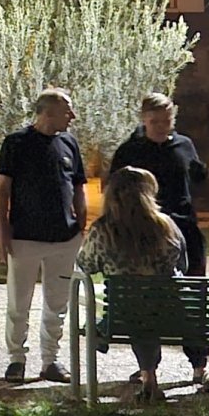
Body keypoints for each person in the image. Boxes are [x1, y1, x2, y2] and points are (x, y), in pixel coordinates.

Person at [110, 93, 209, 384]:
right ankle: (147, 366)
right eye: (155, 122)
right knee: (146, 301)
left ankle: (198, 364)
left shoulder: (184, 145)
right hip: (143, 235)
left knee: (193, 297)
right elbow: (115, 190)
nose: (161, 127)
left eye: (166, 121)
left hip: (184, 232)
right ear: (143, 119)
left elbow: (196, 179)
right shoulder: (130, 151)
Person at [0, 88, 86, 384]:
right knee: (19, 302)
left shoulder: (69, 143)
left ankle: (50, 360)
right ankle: (16, 359)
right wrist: (2, 231)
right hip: (25, 237)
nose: (72, 116)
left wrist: (81, 226)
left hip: (64, 239)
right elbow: (3, 190)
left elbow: (79, 187)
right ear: (47, 112)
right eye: (67, 110)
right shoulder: (16, 143)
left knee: (57, 303)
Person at [75, 166, 188, 403]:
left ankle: (148, 379)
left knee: (133, 312)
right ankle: (150, 378)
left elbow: (85, 265)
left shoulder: (102, 230)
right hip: (170, 314)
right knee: (148, 311)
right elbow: (183, 264)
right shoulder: (166, 226)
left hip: (122, 317)